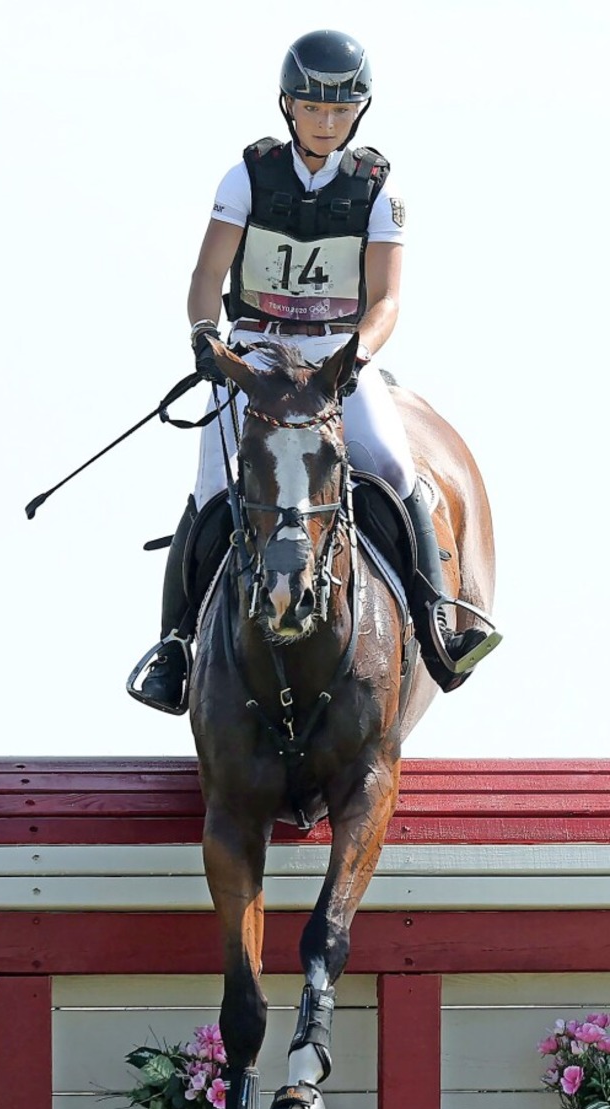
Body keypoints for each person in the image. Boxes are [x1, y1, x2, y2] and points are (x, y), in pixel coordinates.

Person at [129, 28, 497, 715]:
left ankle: (440, 622)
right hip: (258, 356)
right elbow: (208, 275)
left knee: (392, 466)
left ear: (359, 112)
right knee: (214, 488)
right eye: (313, 108)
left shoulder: (380, 190)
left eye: (340, 111)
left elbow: (387, 300)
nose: (327, 123)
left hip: (335, 359)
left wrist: (355, 354)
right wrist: (206, 334)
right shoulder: (245, 178)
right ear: (286, 105)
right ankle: (175, 647)